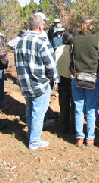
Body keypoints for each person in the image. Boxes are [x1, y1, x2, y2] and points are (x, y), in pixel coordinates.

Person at [15, 15, 59, 150]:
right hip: (40, 83)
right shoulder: (43, 42)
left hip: (25, 83)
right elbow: (51, 65)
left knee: (30, 109)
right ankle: (34, 142)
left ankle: (30, 134)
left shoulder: (20, 42)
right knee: (38, 112)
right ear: (40, 26)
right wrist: (55, 79)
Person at [70, 18, 99, 147]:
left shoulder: (74, 39)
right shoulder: (96, 39)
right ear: (91, 26)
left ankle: (79, 137)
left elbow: (71, 56)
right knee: (91, 108)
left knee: (78, 108)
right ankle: (90, 138)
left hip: (77, 77)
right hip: (92, 78)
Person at [56, 30, 75, 134]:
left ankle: (64, 127)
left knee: (63, 105)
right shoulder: (73, 51)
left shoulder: (57, 50)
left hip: (61, 80)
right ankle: (73, 127)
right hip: (71, 80)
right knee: (74, 105)